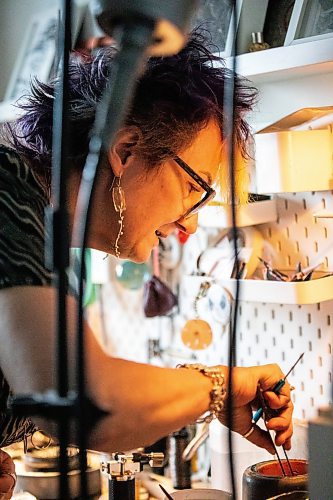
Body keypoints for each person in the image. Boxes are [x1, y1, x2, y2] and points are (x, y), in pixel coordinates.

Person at [0, 30, 293, 460]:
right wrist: (218, 386)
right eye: (197, 189)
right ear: (127, 150)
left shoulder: (36, 228)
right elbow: (88, 404)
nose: (190, 226)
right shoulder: (9, 190)